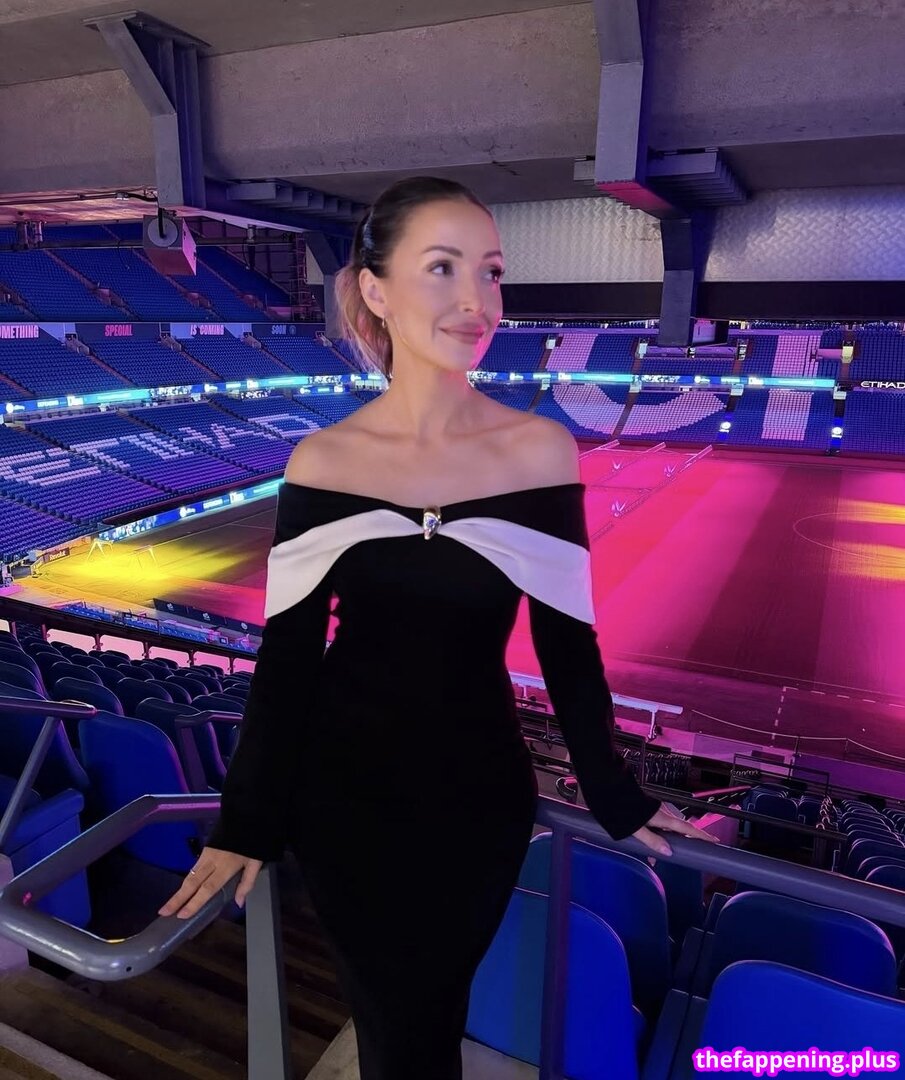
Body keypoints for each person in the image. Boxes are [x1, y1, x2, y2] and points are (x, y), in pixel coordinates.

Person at [160, 176, 718, 1079]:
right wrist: (246, 819)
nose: (476, 300)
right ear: (375, 290)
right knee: (397, 1029)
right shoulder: (323, 462)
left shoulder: (537, 451)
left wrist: (613, 790)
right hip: (342, 801)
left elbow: (566, 647)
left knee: (425, 1018)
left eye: (490, 272)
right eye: (442, 268)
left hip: (475, 801)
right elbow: (289, 662)